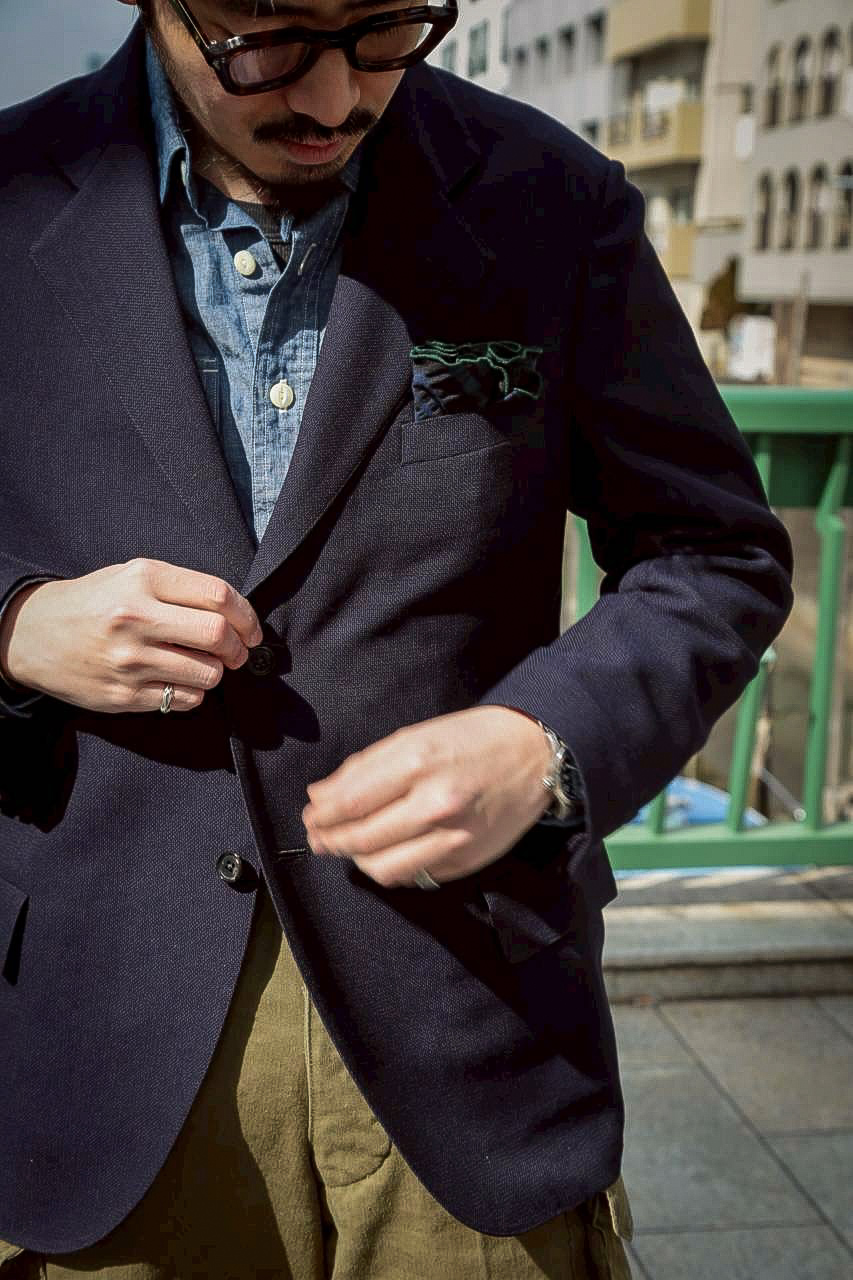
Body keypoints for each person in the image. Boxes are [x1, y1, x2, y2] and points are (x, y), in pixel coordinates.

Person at [0, 1, 793, 1277]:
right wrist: (13, 624)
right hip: (93, 1049)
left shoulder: (553, 199)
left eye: (384, 28)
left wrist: (545, 742)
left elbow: (714, 553)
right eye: (268, 38)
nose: (332, 100)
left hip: (469, 1029)